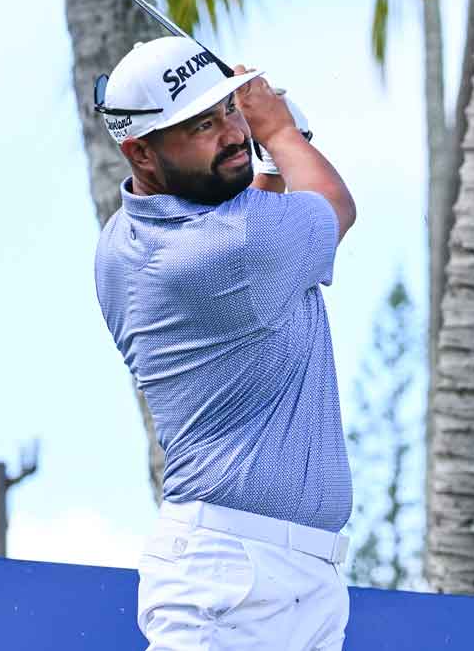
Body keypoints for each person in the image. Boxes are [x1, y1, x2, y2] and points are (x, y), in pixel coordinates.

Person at [90, 36, 359, 651]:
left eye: (230, 109)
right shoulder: (228, 250)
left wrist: (271, 164)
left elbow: (250, 231)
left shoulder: (122, 240)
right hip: (232, 575)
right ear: (140, 151)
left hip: (289, 575)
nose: (233, 133)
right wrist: (283, 135)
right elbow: (334, 207)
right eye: (202, 126)